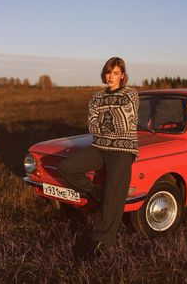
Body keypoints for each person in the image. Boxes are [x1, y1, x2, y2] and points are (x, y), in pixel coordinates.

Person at [57, 57, 139, 259]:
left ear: (122, 75)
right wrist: (108, 120)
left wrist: (104, 119)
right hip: (99, 147)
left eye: (116, 73)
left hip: (123, 149)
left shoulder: (131, 94)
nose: (111, 76)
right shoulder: (96, 97)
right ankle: (94, 193)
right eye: (109, 72)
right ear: (104, 73)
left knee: (114, 194)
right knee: (66, 167)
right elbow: (93, 127)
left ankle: (101, 240)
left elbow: (126, 123)